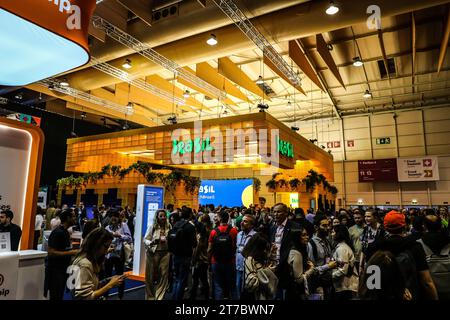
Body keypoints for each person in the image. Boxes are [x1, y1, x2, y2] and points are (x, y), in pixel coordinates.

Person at [373, 210, 438, 300]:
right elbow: (426, 281)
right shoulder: (414, 246)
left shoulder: (374, 247)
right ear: (404, 226)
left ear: (385, 226)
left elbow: (371, 280)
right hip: (410, 294)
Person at [71, 228, 125, 300]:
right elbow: (85, 297)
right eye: (105, 247)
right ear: (96, 244)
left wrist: (108, 281)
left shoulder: (88, 259)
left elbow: (92, 285)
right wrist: (110, 285)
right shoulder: (85, 264)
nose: (106, 251)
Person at [268, 203, 300, 299]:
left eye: (278, 212)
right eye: (274, 212)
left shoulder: (294, 226)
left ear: (286, 213)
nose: (275, 214)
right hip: (274, 266)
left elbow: (297, 247)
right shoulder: (273, 227)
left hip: (287, 267)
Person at [46, 209, 78, 300]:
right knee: (56, 296)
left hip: (63, 270)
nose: (75, 218)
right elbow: (51, 252)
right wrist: (71, 252)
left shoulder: (65, 232)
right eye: (73, 216)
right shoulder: (57, 232)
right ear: (68, 218)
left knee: (59, 296)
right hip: (55, 271)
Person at [208, 210, 239, 300]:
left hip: (216, 261)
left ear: (220, 218)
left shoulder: (214, 231)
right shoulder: (233, 231)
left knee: (218, 286)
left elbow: (209, 249)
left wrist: (209, 261)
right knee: (232, 285)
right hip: (230, 261)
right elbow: (236, 245)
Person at [418, 214, 450, 299]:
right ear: (441, 225)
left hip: (430, 290)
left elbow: (425, 279)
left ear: (424, 226)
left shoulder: (418, 244)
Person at [307, 213, 337, 300]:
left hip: (327, 282)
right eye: (324, 226)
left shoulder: (326, 241)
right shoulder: (311, 244)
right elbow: (311, 270)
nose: (327, 228)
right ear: (316, 227)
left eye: (328, 225)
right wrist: (328, 266)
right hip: (317, 284)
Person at [169, 207, 197, 300]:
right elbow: (194, 243)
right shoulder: (191, 227)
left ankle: (174, 297)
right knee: (182, 280)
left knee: (176, 279)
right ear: (190, 215)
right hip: (185, 256)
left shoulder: (176, 224)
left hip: (175, 254)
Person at [144, 209, 171, 300]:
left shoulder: (169, 226)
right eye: (161, 216)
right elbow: (145, 239)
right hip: (152, 253)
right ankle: (150, 297)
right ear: (157, 218)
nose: (163, 218)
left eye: (164, 216)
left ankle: (159, 298)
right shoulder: (152, 227)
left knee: (163, 276)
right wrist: (152, 242)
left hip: (165, 253)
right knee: (150, 277)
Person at [104, 210, 132, 299]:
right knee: (107, 277)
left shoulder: (123, 226)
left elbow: (130, 239)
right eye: (112, 216)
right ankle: (105, 296)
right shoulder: (107, 228)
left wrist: (120, 236)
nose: (113, 218)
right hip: (109, 255)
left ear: (118, 217)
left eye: (115, 216)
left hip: (120, 255)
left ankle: (120, 297)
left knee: (120, 277)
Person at [242, 233, 278, 300]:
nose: (264, 251)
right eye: (262, 248)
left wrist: (272, 253)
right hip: (253, 296)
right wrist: (266, 271)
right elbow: (252, 284)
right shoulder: (250, 259)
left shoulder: (259, 257)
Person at [286, 228, 316, 300]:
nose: (307, 237)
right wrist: (311, 269)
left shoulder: (299, 249)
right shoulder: (296, 253)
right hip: (297, 293)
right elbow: (299, 279)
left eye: (307, 234)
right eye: (303, 235)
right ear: (296, 237)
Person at [331, 225, 358, 300]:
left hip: (344, 286)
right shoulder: (342, 246)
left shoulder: (342, 249)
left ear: (339, 234)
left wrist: (330, 276)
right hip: (344, 286)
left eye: (333, 232)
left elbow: (343, 270)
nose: (331, 234)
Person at [190, 214, 211, 300]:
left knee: (198, 280)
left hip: (200, 261)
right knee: (203, 280)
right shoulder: (207, 234)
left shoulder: (200, 237)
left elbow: (197, 250)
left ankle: (194, 296)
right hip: (205, 260)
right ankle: (204, 296)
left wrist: (193, 261)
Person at [236, 214, 257, 299]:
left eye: (245, 221)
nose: (242, 223)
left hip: (249, 270)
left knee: (248, 291)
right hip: (239, 268)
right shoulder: (239, 234)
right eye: (242, 221)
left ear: (251, 225)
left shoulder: (255, 236)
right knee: (238, 288)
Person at [359, 210, 386, 275]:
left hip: (380, 263)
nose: (366, 218)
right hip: (368, 263)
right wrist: (360, 265)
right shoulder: (366, 230)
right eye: (365, 216)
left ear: (375, 218)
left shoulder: (383, 230)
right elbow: (363, 248)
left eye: (368, 216)